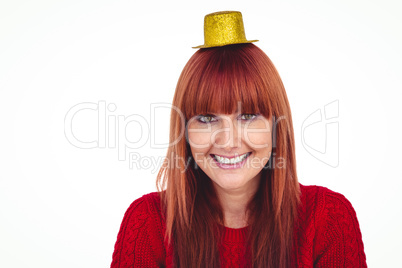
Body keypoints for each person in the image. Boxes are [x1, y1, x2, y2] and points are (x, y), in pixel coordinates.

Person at [110, 11, 367, 268]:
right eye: (207, 118)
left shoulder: (328, 219)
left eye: (247, 116)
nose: (228, 141)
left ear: (276, 126)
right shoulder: (148, 222)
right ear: (185, 131)